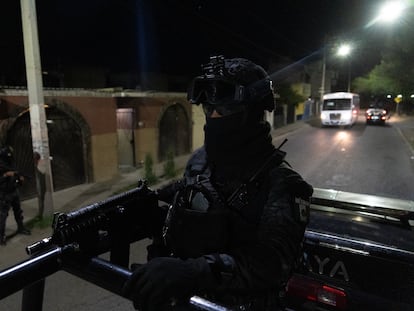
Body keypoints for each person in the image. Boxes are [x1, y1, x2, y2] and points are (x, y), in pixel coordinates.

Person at [123, 56, 313, 310]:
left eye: (225, 110)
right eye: (208, 109)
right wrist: (151, 212)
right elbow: (187, 201)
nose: (213, 117)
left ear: (255, 112)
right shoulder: (201, 161)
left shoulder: (283, 184)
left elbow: (273, 262)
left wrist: (195, 272)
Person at [0, 145, 31, 246]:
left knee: (18, 211)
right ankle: (1, 237)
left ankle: (21, 228)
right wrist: (5, 175)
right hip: (4, 192)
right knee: (3, 215)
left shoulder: (10, 164)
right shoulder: (1, 165)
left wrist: (20, 179)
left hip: (14, 190)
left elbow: (15, 173)